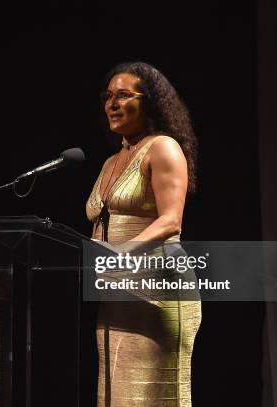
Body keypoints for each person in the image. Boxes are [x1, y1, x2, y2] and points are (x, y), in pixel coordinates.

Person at [86, 62, 201, 407]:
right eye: (108, 97)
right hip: (116, 293)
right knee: (116, 396)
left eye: (123, 95)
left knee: (152, 396)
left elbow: (171, 221)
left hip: (157, 289)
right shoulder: (111, 162)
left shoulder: (163, 148)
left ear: (149, 102)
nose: (112, 104)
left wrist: (117, 257)